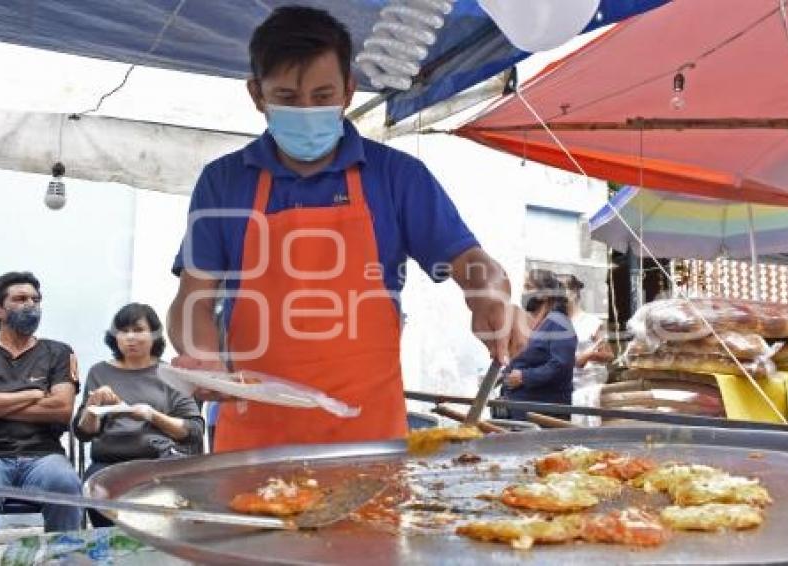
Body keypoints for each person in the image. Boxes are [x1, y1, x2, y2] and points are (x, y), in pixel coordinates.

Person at [167, 6, 524, 452]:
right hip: (252, 440)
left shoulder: (396, 176)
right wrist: (202, 357)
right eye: (287, 97)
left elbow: (473, 263)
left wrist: (489, 293)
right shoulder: (223, 182)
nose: (307, 110)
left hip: (369, 438)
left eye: (322, 96)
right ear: (257, 94)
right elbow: (191, 300)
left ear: (349, 92)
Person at [0, 272, 82, 562]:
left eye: (36, 299)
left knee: (66, 484)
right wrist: (32, 394)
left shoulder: (58, 352)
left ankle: (65, 562)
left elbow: (61, 409)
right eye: (20, 299)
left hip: (44, 455)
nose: (31, 305)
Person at [73, 303, 204, 527]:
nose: (130, 338)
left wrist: (152, 416)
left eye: (138, 330)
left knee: (166, 505)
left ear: (154, 335)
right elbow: (84, 433)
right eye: (124, 331)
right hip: (109, 461)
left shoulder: (170, 375)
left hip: (159, 460)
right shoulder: (100, 372)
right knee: (96, 489)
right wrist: (92, 407)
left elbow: (193, 430)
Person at [500, 270, 577, 421]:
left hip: (545, 413)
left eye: (529, 287)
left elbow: (561, 365)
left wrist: (525, 377)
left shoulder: (558, 323)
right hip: (520, 410)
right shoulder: (535, 323)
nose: (524, 292)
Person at [563, 275, 613, 389]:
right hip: (562, 385)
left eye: (563, 289)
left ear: (574, 292)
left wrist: (588, 356)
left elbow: (609, 355)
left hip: (586, 386)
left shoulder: (591, 322)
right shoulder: (556, 321)